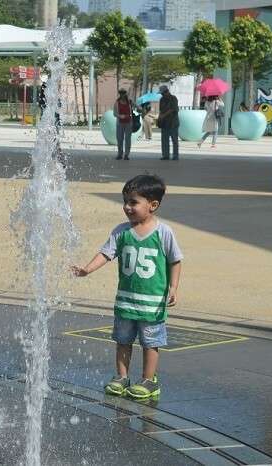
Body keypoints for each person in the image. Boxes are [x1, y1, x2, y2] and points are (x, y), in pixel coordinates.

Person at [71, 174, 183, 400]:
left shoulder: (164, 233)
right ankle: (122, 377)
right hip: (125, 300)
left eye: (133, 202)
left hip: (152, 303)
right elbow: (106, 253)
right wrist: (87, 269)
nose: (127, 207)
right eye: (125, 202)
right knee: (122, 340)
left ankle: (149, 380)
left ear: (153, 205)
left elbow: (175, 260)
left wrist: (173, 286)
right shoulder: (121, 231)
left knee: (151, 342)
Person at [157, 85, 179, 160]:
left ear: (166, 92)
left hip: (173, 122)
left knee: (174, 140)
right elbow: (161, 110)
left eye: (163, 93)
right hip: (164, 123)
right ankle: (165, 155)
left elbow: (173, 109)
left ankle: (175, 156)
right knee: (164, 140)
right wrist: (159, 117)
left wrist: (163, 116)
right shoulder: (162, 99)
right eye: (161, 94)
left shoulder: (173, 98)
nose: (162, 95)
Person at [113, 89, 134, 160]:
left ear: (126, 94)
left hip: (129, 122)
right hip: (120, 123)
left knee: (128, 139)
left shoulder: (129, 102)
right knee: (119, 139)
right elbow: (114, 113)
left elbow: (137, 106)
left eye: (124, 93)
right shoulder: (117, 102)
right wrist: (120, 116)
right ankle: (120, 154)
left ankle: (126, 154)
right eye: (121, 93)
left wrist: (141, 109)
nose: (122, 95)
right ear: (119, 94)